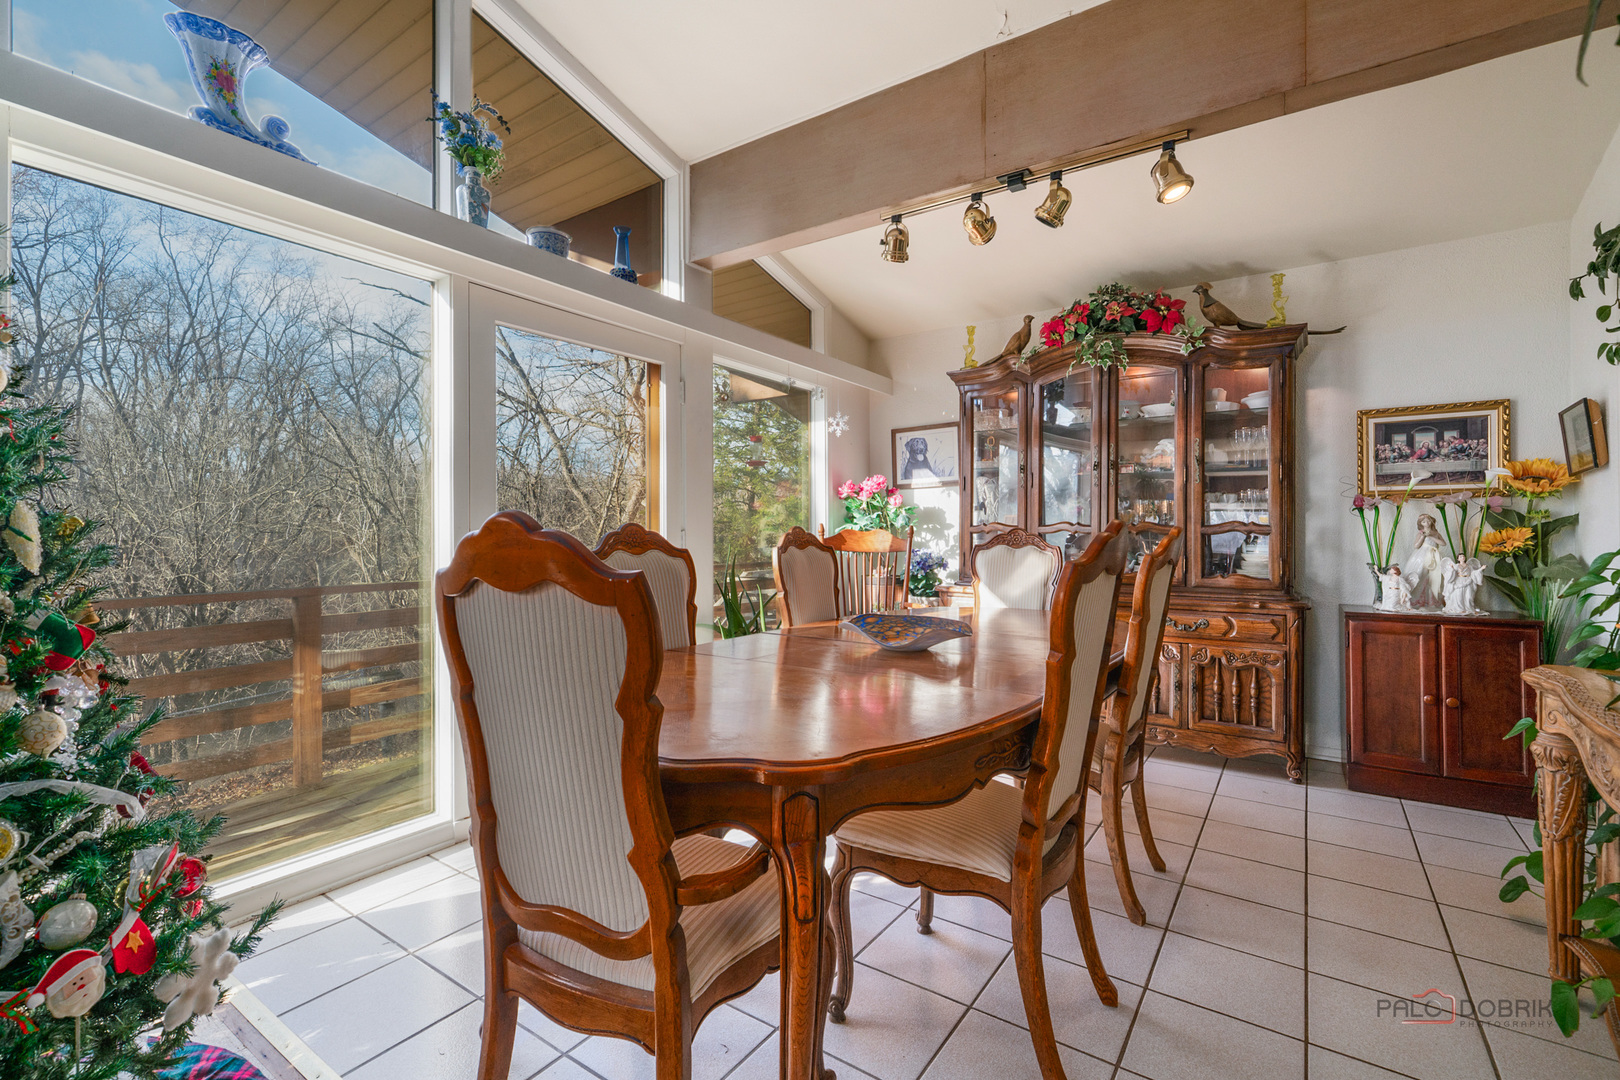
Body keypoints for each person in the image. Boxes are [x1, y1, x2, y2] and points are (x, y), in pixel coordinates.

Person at [1402, 514, 1446, 609]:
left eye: (1428, 521)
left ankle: (1432, 601)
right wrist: (1423, 537)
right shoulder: (1421, 532)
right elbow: (1416, 546)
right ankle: (1416, 600)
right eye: (1424, 522)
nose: (1427, 523)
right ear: (1421, 523)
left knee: (1433, 577)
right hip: (1423, 556)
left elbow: (1443, 543)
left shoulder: (1435, 533)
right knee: (1421, 574)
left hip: (1434, 555)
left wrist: (1431, 537)